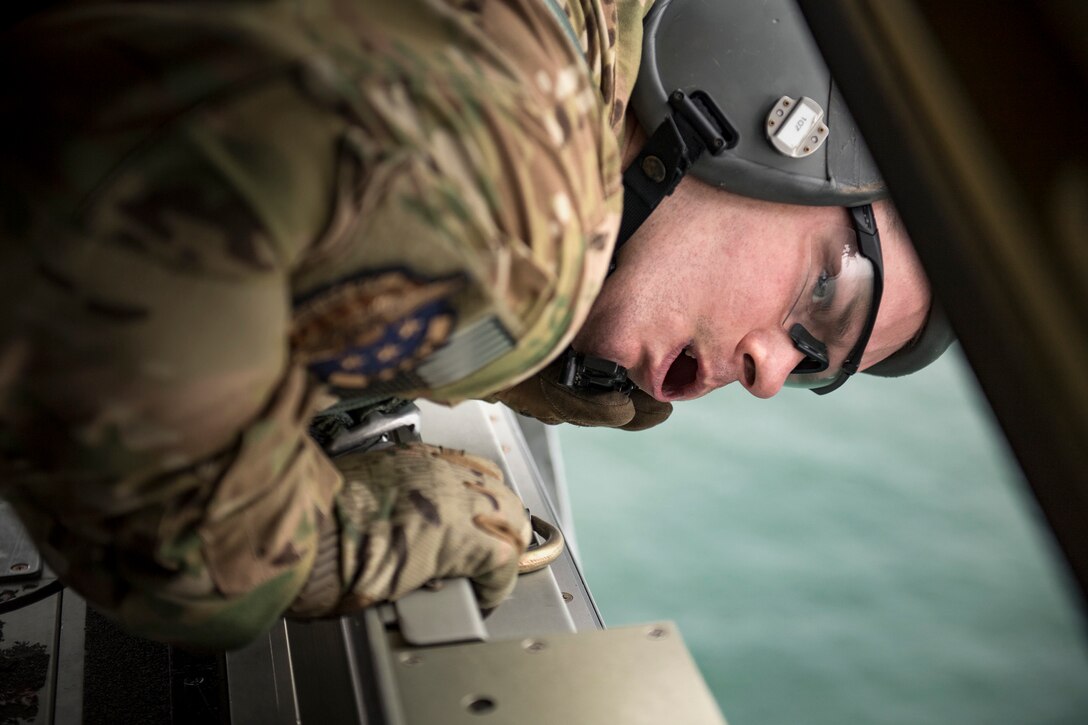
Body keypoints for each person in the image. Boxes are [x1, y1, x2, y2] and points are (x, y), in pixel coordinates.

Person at [0, 0, 950, 649]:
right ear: (778, 115)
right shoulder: (526, 184)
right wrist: (344, 531)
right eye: (828, 298)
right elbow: (98, 231)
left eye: (821, 365)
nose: (773, 372)